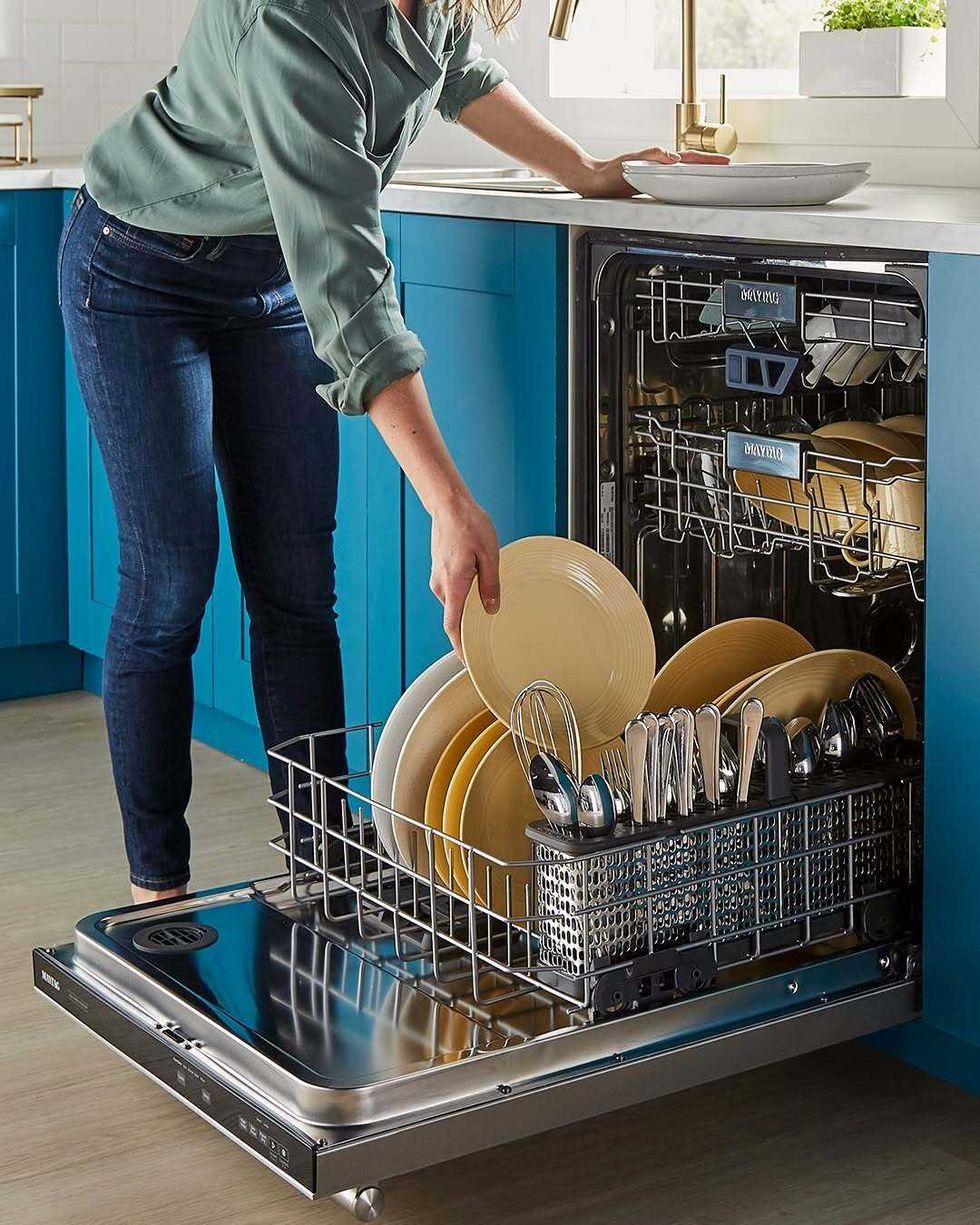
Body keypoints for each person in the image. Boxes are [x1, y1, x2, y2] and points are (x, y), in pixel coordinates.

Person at [60, 0, 725, 905]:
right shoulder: (289, 19)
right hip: (140, 263)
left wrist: (586, 171)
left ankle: (323, 871)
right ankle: (158, 893)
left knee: (296, 586)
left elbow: (457, 73)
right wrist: (450, 503)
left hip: (271, 278)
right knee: (172, 575)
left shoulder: (431, 4)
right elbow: (349, 284)